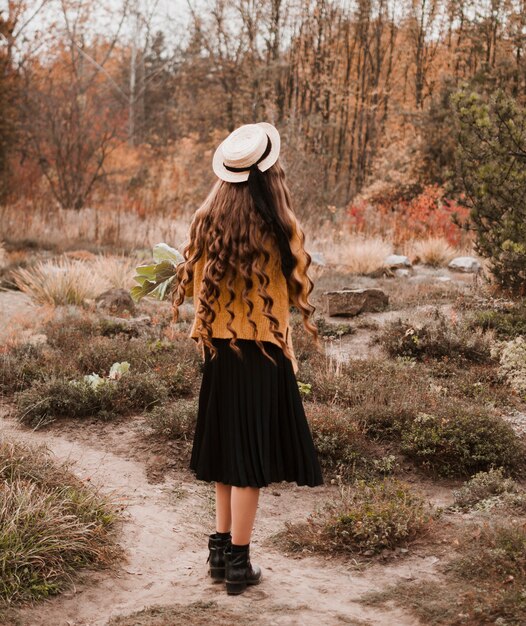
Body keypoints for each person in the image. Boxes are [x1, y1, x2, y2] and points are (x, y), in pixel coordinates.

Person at [172, 122, 324, 596]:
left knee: (224, 454)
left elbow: (194, 284)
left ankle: (219, 551)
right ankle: (239, 563)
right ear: (268, 172)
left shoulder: (208, 223)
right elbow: (295, 287)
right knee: (249, 463)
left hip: (220, 355)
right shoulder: (279, 227)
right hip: (262, 354)